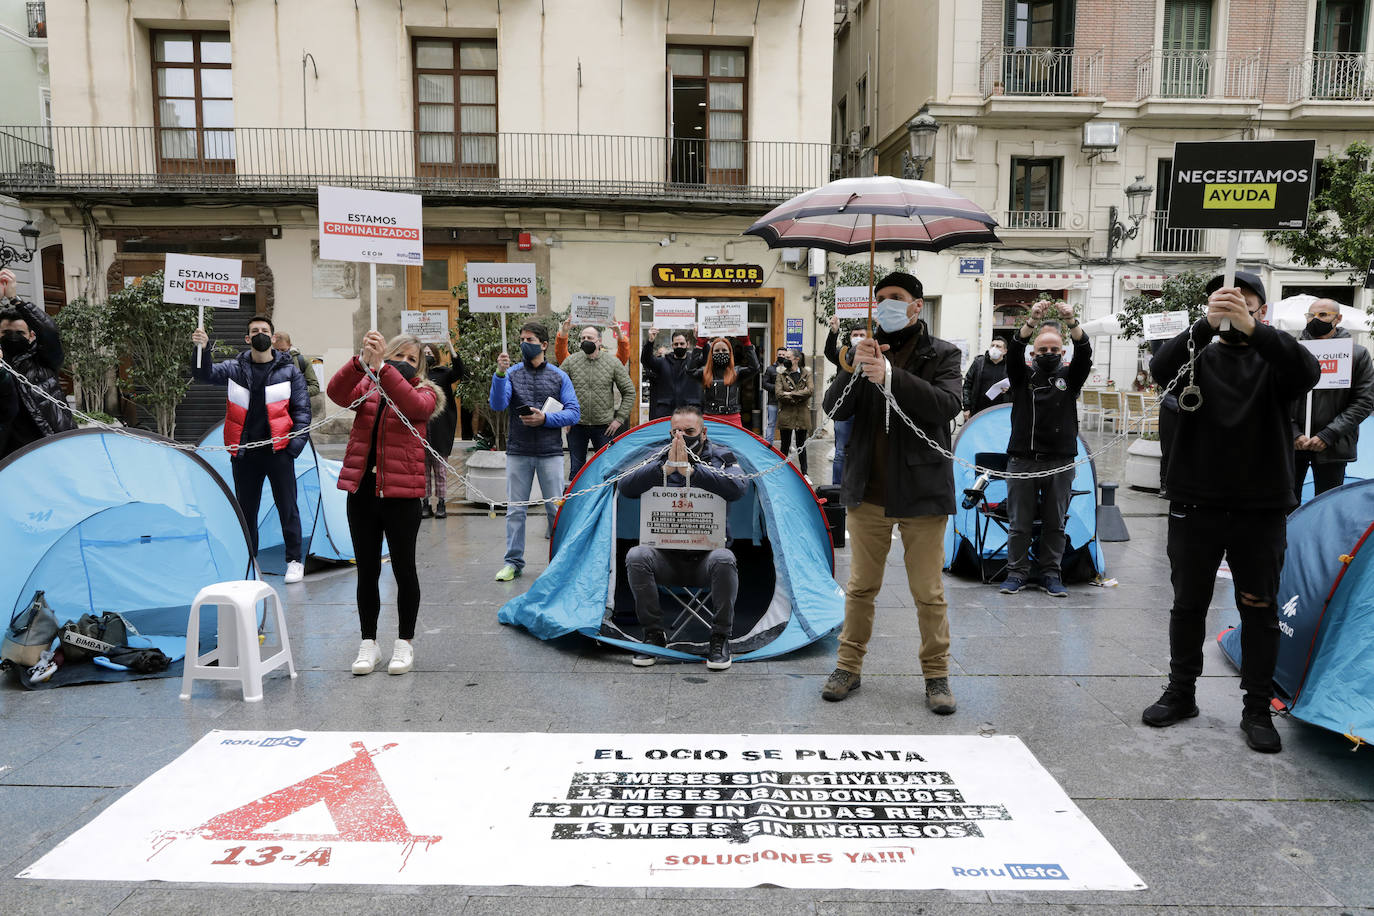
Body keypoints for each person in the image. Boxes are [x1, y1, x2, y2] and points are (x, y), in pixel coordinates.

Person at [1145, 271, 1320, 753]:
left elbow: (1307, 374)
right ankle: (1181, 692)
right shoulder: (1196, 352)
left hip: (1259, 504)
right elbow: (1161, 369)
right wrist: (1206, 324)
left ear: (1262, 310)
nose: (1232, 307)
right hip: (1194, 499)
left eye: (1244, 301)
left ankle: (1257, 707)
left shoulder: (1275, 357)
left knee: (1259, 607)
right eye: (1223, 300)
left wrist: (1256, 330)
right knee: (1188, 603)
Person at [819, 270, 962, 714]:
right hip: (868, 493)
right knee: (861, 587)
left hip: (921, 492)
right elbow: (834, 408)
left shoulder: (944, 353)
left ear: (917, 305)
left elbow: (947, 405)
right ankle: (848, 666)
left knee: (928, 591)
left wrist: (892, 377)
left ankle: (936, 676)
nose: (885, 305)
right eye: (880, 298)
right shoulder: (865, 350)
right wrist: (853, 369)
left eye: (896, 297)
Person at [327, 331, 442, 676]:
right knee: (367, 570)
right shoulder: (368, 384)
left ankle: (404, 642)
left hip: (401, 496)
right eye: (399, 356)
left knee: (404, 570)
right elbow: (336, 393)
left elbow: (412, 406)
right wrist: (361, 362)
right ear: (386, 354)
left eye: (412, 360)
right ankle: (368, 642)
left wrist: (384, 370)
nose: (404, 363)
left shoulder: (427, 393)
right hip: (361, 491)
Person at [618, 405, 749, 670]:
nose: (681, 437)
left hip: (706, 558)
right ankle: (654, 634)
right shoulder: (655, 456)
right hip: (664, 557)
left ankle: (720, 637)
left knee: (725, 558)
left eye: (689, 431)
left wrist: (694, 473)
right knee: (636, 556)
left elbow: (739, 488)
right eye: (676, 431)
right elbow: (625, 485)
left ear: (703, 432)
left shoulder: (724, 457)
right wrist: (663, 470)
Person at [191, 314, 310, 584]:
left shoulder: (290, 371)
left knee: (287, 507)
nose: (260, 334)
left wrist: (293, 448)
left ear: (273, 337)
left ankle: (294, 560)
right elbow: (204, 373)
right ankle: (250, 559)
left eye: (265, 330)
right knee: (247, 509)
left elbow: (303, 412)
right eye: (255, 331)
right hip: (245, 453)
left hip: (279, 452)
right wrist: (202, 348)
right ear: (247, 338)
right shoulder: (235, 368)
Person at [998, 303, 1092, 598]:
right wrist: (1031, 323)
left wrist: (1071, 322)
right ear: (1033, 354)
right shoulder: (1021, 377)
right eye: (1042, 350)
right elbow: (1013, 352)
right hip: (1023, 460)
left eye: (1054, 350)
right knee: (1019, 524)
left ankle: (1052, 574)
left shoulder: (1071, 378)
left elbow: (1085, 354)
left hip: (1061, 461)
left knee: (1055, 522)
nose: (1048, 354)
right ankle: (1017, 572)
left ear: (1063, 354)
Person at [490, 321, 580, 581]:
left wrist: (546, 420)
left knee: (555, 509)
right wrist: (499, 374)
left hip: (550, 452)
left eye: (529, 340)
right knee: (516, 510)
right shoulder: (512, 373)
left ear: (543, 345)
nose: (524, 344)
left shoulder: (559, 376)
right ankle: (513, 563)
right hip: (518, 451)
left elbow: (574, 412)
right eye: (522, 339)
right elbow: (497, 404)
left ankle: (560, 561)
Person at [1292, 298, 1373, 502]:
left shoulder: (1358, 354)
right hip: (1293, 445)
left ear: (1338, 319)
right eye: (1311, 315)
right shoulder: (1291, 351)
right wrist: (1293, 433)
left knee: (1326, 505)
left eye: (1323, 315)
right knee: (1286, 505)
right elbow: (1276, 396)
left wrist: (1329, 434)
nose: (1315, 320)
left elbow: (1364, 401)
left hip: (1334, 445)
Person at [0, 267, 75, 458]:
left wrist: (15, 300)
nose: (13, 337)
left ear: (32, 335)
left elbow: (49, 331)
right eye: (6, 333)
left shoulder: (44, 359)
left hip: (46, 443)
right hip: (7, 450)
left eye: (20, 333)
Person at [557, 321, 634, 479]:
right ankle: (576, 502)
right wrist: (565, 416)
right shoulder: (571, 362)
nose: (586, 340)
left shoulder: (612, 362)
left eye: (590, 337)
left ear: (599, 341)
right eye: (583, 337)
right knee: (576, 470)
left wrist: (619, 420)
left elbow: (629, 392)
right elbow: (556, 387)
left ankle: (604, 502)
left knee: (606, 469)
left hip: (604, 427)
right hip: (576, 425)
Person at [421, 340, 466, 519]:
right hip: (422, 431)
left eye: (430, 353)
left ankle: (441, 503)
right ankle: (425, 503)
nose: (427, 356)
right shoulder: (417, 375)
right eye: (424, 353)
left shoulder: (444, 374)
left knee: (440, 471)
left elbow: (459, 372)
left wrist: (450, 346)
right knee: (423, 471)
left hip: (440, 431)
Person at [824, 317, 866, 486]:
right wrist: (834, 331)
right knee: (841, 452)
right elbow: (828, 352)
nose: (858, 337)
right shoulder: (844, 353)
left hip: (865, 410)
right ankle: (837, 488)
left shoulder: (874, 353)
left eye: (862, 334)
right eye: (855, 334)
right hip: (845, 411)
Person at [691, 336, 759, 427]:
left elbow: (754, 368)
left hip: (732, 418)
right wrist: (699, 345)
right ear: (711, 353)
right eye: (717, 350)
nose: (720, 353)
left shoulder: (736, 372)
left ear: (730, 353)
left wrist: (747, 343)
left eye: (724, 350)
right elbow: (690, 371)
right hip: (710, 418)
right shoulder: (705, 372)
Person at [641, 328, 701, 419]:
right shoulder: (663, 362)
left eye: (682, 344)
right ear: (672, 345)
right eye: (676, 344)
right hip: (666, 413)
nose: (679, 346)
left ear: (688, 344)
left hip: (689, 413)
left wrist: (701, 340)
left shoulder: (694, 363)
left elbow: (708, 361)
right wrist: (650, 341)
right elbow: (646, 360)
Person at [775, 349, 814, 477]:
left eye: (788, 357)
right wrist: (800, 396)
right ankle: (781, 472)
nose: (785, 360)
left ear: (796, 359)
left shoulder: (806, 373)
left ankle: (805, 473)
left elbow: (810, 391)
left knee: (801, 445)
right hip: (786, 414)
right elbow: (779, 394)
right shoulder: (781, 374)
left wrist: (791, 394)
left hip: (802, 415)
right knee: (784, 446)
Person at [961, 337, 1010, 421]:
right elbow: (967, 385)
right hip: (978, 411)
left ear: (1005, 351)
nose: (994, 348)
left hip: (1000, 412)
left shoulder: (1010, 366)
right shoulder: (979, 363)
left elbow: (1018, 387)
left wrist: (1009, 390)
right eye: (992, 345)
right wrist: (966, 408)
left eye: (998, 346)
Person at [760, 345, 790, 444]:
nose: (781, 356)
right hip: (773, 401)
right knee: (771, 423)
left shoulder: (789, 369)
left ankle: (787, 445)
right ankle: (769, 444)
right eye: (779, 354)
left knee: (787, 425)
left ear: (786, 356)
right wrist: (777, 389)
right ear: (776, 355)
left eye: (783, 355)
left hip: (786, 402)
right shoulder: (770, 369)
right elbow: (764, 384)